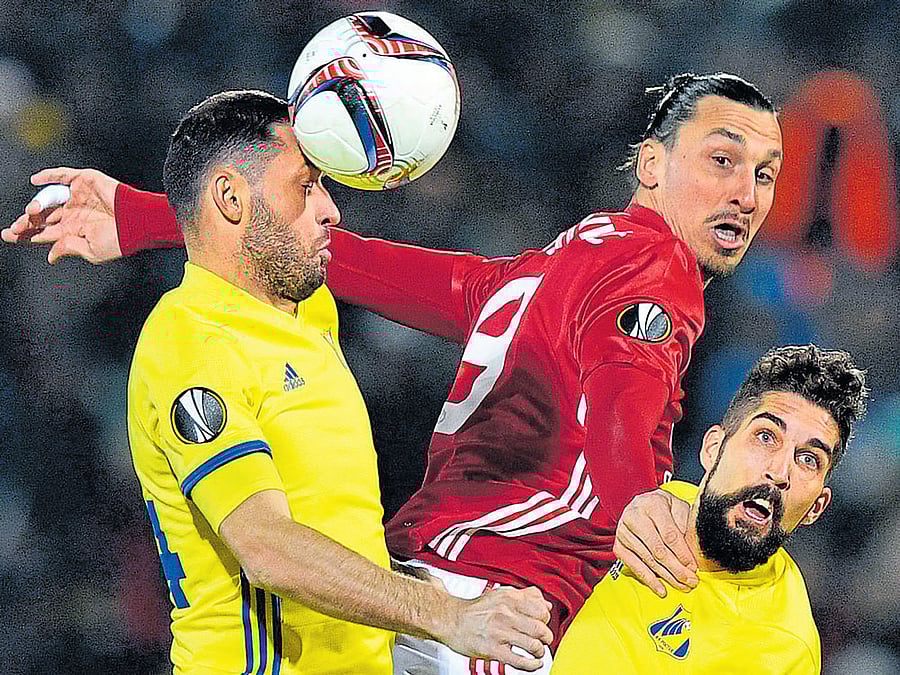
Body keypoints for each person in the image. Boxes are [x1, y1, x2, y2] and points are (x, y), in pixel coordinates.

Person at [3, 72, 783, 671]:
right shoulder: (654, 262)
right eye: (722, 160)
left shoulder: (550, 267)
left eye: (766, 174)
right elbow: (627, 376)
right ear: (651, 164)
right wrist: (634, 500)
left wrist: (142, 216)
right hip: (489, 608)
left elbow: (351, 262)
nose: (746, 194)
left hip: (420, 599)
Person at [119, 89, 554, 674]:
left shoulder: (308, 312)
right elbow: (266, 547)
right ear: (229, 198)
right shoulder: (191, 341)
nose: (331, 209)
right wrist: (446, 614)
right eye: (306, 186)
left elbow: (337, 531)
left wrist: (457, 590)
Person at [552, 344, 868, 674]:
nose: (779, 472)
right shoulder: (636, 503)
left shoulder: (781, 650)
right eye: (766, 436)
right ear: (712, 448)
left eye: (808, 460)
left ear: (815, 508)